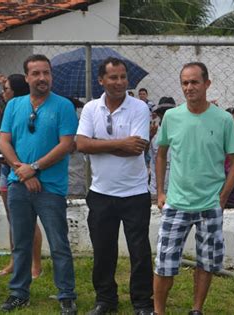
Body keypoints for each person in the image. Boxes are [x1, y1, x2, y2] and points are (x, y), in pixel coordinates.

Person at [154, 62, 234, 315]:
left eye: (194, 82)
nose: (189, 87)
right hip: (176, 204)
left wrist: (222, 198)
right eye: (185, 82)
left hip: (210, 205)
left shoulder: (224, 119)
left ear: (207, 83)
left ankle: (196, 309)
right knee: (164, 263)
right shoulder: (171, 117)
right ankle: (158, 310)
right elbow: (161, 155)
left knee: (206, 263)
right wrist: (161, 192)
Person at [0, 54, 78, 314]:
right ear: (27, 77)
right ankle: (19, 293)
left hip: (51, 188)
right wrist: (22, 171)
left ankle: (66, 294)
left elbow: (66, 145)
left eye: (46, 73)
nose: (42, 78)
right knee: (21, 242)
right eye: (36, 73)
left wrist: (34, 169)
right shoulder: (14, 106)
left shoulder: (63, 106)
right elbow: (4, 142)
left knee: (59, 244)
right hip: (18, 185)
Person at [76, 57, 153, 315]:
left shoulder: (139, 108)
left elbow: (136, 149)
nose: (119, 82)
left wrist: (97, 144)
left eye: (123, 77)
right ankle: (105, 300)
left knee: (140, 252)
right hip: (100, 193)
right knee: (103, 251)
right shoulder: (90, 109)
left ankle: (142, 303)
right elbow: (81, 145)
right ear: (101, 80)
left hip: (135, 194)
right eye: (113, 77)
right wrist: (119, 144)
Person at [0, 74, 43, 279]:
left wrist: (16, 164)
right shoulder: (7, 110)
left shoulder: (29, 111)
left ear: (16, 91)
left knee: (30, 220)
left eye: (6, 89)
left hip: (23, 169)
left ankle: (36, 265)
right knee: (13, 218)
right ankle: (14, 261)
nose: (3, 93)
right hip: (6, 170)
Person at [149, 96, 175, 197]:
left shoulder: (182, 131)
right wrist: (149, 136)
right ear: (159, 114)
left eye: (169, 111)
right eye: (163, 112)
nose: (166, 115)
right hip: (156, 186)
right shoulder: (154, 132)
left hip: (176, 186)